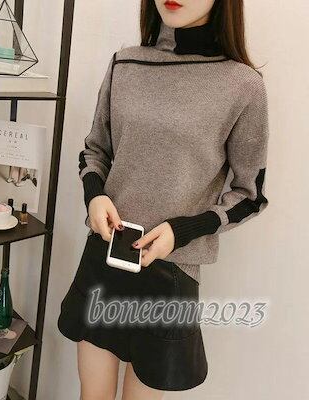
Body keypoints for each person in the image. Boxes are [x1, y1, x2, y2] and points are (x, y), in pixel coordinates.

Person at [58, 0, 270, 399]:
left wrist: (182, 230)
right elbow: (95, 150)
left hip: (170, 274)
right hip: (106, 256)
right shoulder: (126, 64)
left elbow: (249, 195)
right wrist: (95, 196)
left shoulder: (242, 84)